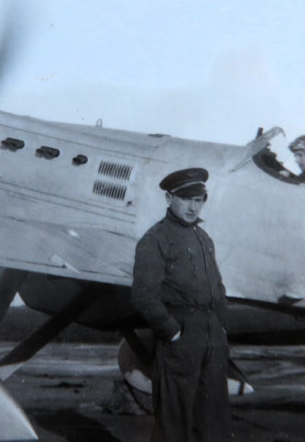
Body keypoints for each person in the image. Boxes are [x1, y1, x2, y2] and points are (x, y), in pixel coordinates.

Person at [131, 167, 231, 442]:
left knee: (213, 418)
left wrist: (221, 327)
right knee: (174, 420)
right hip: (181, 336)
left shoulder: (203, 238)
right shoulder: (155, 240)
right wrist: (172, 332)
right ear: (168, 198)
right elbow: (144, 295)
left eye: (198, 200)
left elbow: (217, 287)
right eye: (186, 199)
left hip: (211, 336)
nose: (192, 207)